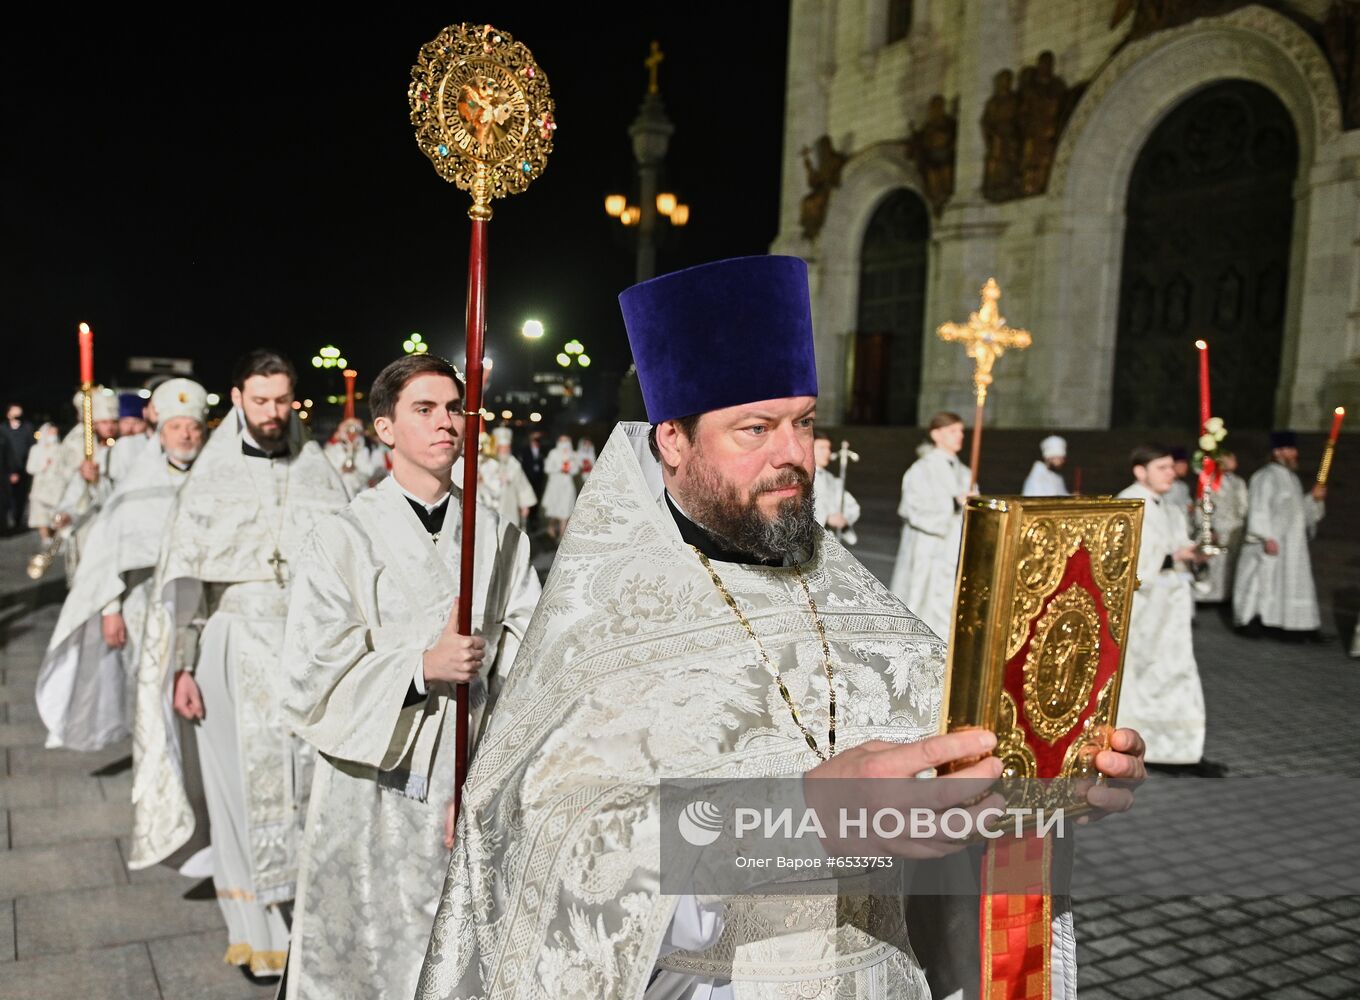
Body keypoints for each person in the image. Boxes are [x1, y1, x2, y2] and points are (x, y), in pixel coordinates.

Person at [416, 255, 1146, 1000]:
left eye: (803, 422)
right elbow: (542, 844)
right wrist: (800, 815)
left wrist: (1047, 783)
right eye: (755, 428)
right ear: (673, 439)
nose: (793, 454)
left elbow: (962, 780)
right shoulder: (605, 616)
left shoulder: (856, 602)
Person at [281, 355, 540, 1000]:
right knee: (373, 951)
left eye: (454, 408)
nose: (446, 422)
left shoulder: (501, 536)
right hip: (375, 773)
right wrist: (420, 666)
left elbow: (533, 647)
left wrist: (493, 658)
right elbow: (312, 666)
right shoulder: (340, 538)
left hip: (469, 769)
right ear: (385, 429)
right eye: (424, 409)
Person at [127, 349, 348, 981]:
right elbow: (182, 585)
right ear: (238, 398)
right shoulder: (212, 473)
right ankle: (254, 931)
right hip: (230, 645)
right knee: (236, 787)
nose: (272, 412)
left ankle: (310, 921)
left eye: (282, 399)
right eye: (260, 400)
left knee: (311, 784)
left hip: (307, 647)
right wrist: (181, 667)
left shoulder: (318, 468)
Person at [35, 379, 209, 752]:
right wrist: (110, 608)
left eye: (193, 427)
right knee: (148, 685)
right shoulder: (136, 477)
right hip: (143, 598)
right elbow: (113, 543)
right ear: (160, 433)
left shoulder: (215, 481)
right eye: (176, 427)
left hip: (200, 603)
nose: (185, 435)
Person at [1116, 445, 1219, 775]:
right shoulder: (1129, 503)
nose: (1171, 473)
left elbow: (1177, 549)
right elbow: (1127, 563)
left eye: (1170, 468)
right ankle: (1148, 747)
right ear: (1139, 471)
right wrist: (1176, 558)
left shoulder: (1169, 506)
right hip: (1146, 610)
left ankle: (1181, 750)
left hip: (1171, 609)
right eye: (1161, 468)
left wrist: (1196, 556)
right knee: (1150, 676)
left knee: (1178, 673)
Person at [1233, 431, 1326, 636]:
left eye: (1294, 450)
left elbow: (1300, 511)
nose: (1295, 454)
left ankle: (1290, 625)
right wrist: (1266, 536)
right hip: (1271, 540)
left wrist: (1314, 498)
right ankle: (1249, 621)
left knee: (1287, 583)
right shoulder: (1265, 476)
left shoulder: (1292, 478)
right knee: (1261, 580)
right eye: (1290, 449)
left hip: (1292, 543)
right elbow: (1259, 507)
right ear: (1277, 451)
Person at [889, 412, 973, 638]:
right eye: (952, 431)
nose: (959, 436)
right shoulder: (922, 469)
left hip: (954, 547)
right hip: (928, 550)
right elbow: (911, 508)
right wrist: (953, 504)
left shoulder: (966, 473)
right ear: (936, 434)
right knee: (923, 603)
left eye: (961, 432)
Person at [52, 388, 123, 578]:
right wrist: (66, 512)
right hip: (87, 521)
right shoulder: (79, 443)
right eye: (104, 422)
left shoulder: (125, 448)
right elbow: (72, 485)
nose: (109, 427)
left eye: (113, 422)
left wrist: (99, 481)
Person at [1191, 450, 1248, 603]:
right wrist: (1208, 527)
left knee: (1230, 564)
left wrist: (1242, 522)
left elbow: (1243, 505)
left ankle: (1227, 595)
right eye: (1229, 459)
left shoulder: (1238, 482)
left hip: (1234, 529)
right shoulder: (1210, 480)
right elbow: (1202, 505)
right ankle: (1206, 596)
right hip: (1216, 527)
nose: (1233, 462)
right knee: (1213, 563)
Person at [478, 426, 537, 529]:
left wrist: (524, 505)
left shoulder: (514, 464)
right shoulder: (487, 463)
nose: (505, 450)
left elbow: (521, 484)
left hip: (510, 506)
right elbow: (482, 483)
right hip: (491, 505)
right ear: (496, 447)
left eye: (507, 447)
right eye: (502, 447)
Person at [812, 431, 860, 544]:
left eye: (829, 448)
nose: (827, 452)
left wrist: (844, 519)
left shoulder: (833, 480)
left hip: (831, 539)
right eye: (822, 448)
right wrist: (826, 518)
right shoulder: (801, 479)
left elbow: (852, 506)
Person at [324, 416, 379, 497]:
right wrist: (341, 469)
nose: (351, 436)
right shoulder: (334, 449)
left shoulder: (364, 451)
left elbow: (369, 471)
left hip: (359, 490)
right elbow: (327, 470)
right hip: (339, 490)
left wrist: (356, 468)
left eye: (354, 434)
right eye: (348, 433)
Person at [25, 422, 63, 540]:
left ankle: (54, 536)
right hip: (40, 486)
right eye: (51, 433)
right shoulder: (36, 449)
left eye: (55, 433)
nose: (54, 435)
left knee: (55, 513)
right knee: (40, 514)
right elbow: (30, 468)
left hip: (56, 486)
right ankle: (45, 538)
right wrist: (44, 465)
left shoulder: (60, 449)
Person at [540, 434, 580, 539]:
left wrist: (570, 468)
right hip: (555, 484)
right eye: (562, 441)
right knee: (554, 509)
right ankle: (551, 526)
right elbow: (547, 468)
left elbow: (575, 470)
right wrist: (559, 467)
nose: (564, 443)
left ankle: (562, 536)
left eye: (566, 441)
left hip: (567, 485)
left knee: (566, 510)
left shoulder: (573, 454)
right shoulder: (553, 453)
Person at [4, 403, 35, 532]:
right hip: (5, 470)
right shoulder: (3, 429)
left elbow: (31, 448)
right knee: (6, 498)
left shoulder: (27, 428)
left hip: (23, 470)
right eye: (14, 411)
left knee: (20, 498)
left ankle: (17, 521)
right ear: (8, 414)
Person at [1166, 446, 1193, 517]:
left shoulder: (1183, 486)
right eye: (1182, 463)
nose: (1186, 467)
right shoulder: (1164, 485)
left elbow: (1189, 505)